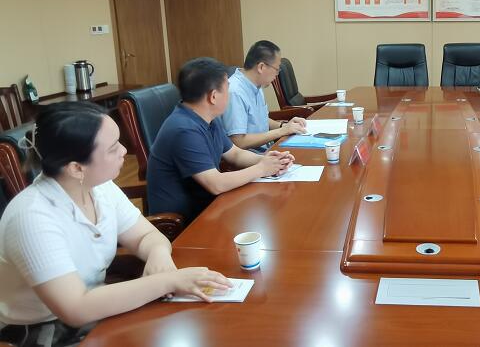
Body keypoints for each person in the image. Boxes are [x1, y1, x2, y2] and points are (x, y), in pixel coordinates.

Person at [0, 102, 231, 345]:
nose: (124, 151)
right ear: (76, 168)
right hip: (41, 330)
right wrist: (167, 281)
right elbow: (75, 308)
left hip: (96, 304)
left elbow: (147, 236)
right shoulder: (32, 217)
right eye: (113, 149)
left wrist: (158, 255)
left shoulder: (99, 188)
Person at [147, 57, 295, 223]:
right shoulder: (184, 129)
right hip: (184, 223)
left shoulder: (208, 117)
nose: (229, 94)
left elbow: (235, 154)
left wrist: (271, 161)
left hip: (210, 208)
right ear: (213, 96)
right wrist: (262, 169)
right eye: (227, 89)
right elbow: (215, 184)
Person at [221, 40, 307, 152]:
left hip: (267, 150)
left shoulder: (256, 84)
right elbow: (239, 142)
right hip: (251, 157)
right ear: (261, 67)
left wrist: (284, 126)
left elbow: (261, 120)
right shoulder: (235, 92)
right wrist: (281, 132)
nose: (277, 75)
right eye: (276, 70)